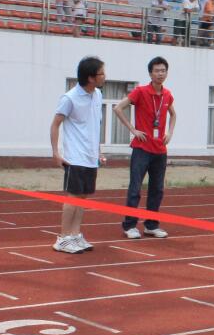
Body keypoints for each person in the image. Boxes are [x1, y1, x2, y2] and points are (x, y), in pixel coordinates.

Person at [110, 56, 176, 239]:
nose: (160, 74)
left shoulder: (167, 94)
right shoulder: (140, 91)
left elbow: (173, 115)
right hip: (142, 149)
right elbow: (118, 108)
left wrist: (170, 133)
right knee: (135, 188)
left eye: (163, 70)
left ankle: (151, 225)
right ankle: (130, 225)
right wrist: (133, 130)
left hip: (160, 150)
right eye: (157, 71)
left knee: (157, 189)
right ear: (150, 73)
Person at [49, 56, 107, 254]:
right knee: (73, 197)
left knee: (82, 197)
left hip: (90, 157)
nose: (104, 76)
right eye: (101, 73)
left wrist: (98, 151)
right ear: (91, 77)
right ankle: (63, 238)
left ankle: (75, 235)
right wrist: (56, 152)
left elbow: (94, 125)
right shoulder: (69, 98)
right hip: (74, 157)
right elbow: (55, 124)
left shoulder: (97, 94)